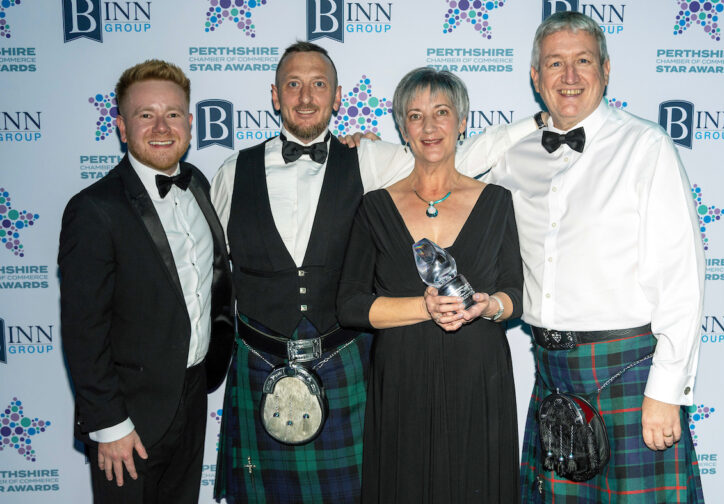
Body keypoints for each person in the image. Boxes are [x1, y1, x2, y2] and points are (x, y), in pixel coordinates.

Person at [209, 41, 541, 503]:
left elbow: (456, 157)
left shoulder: (368, 160)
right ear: (274, 95)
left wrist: (546, 119)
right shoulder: (231, 172)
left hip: (343, 365)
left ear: (338, 96)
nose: (306, 97)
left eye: (319, 85)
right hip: (261, 367)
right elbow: (210, 273)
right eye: (293, 85)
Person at [492, 12, 705, 502]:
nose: (569, 77)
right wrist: (364, 154)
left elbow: (681, 278)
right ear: (535, 77)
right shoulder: (513, 156)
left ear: (606, 70)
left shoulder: (646, 147)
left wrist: (666, 391)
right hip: (551, 375)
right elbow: (443, 168)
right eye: (555, 63)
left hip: (629, 375)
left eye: (583, 61)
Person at [337, 67, 523, 503]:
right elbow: (348, 305)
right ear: (402, 128)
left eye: (442, 112)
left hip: (479, 380)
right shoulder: (375, 206)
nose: (430, 126)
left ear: (462, 122)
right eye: (416, 115)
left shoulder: (497, 202)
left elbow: (515, 294)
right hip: (403, 383)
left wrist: (487, 305)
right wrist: (424, 308)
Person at [59, 59, 233, 503]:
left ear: (190, 124)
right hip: (129, 418)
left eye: (173, 114)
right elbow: (84, 331)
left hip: (192, 399)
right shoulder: (94, 210)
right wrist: (110, 425)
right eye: (145, 115)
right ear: (121, 126)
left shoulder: (197, 186)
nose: (161, 127)